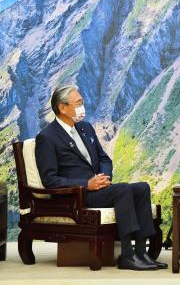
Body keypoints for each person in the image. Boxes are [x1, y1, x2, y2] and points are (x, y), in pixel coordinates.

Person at [35, 85, 168, 271]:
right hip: (77, 195)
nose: (83, 107)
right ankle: (127, 256)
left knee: (142, 187)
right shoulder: (47, 137)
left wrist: (104, 177)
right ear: (62, 107)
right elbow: (49, 180)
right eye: (78, 103)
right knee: (123, 190)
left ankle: (141, 253)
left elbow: (104, 158)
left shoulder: (85, 128)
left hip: (98, 187)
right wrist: (86, 184)